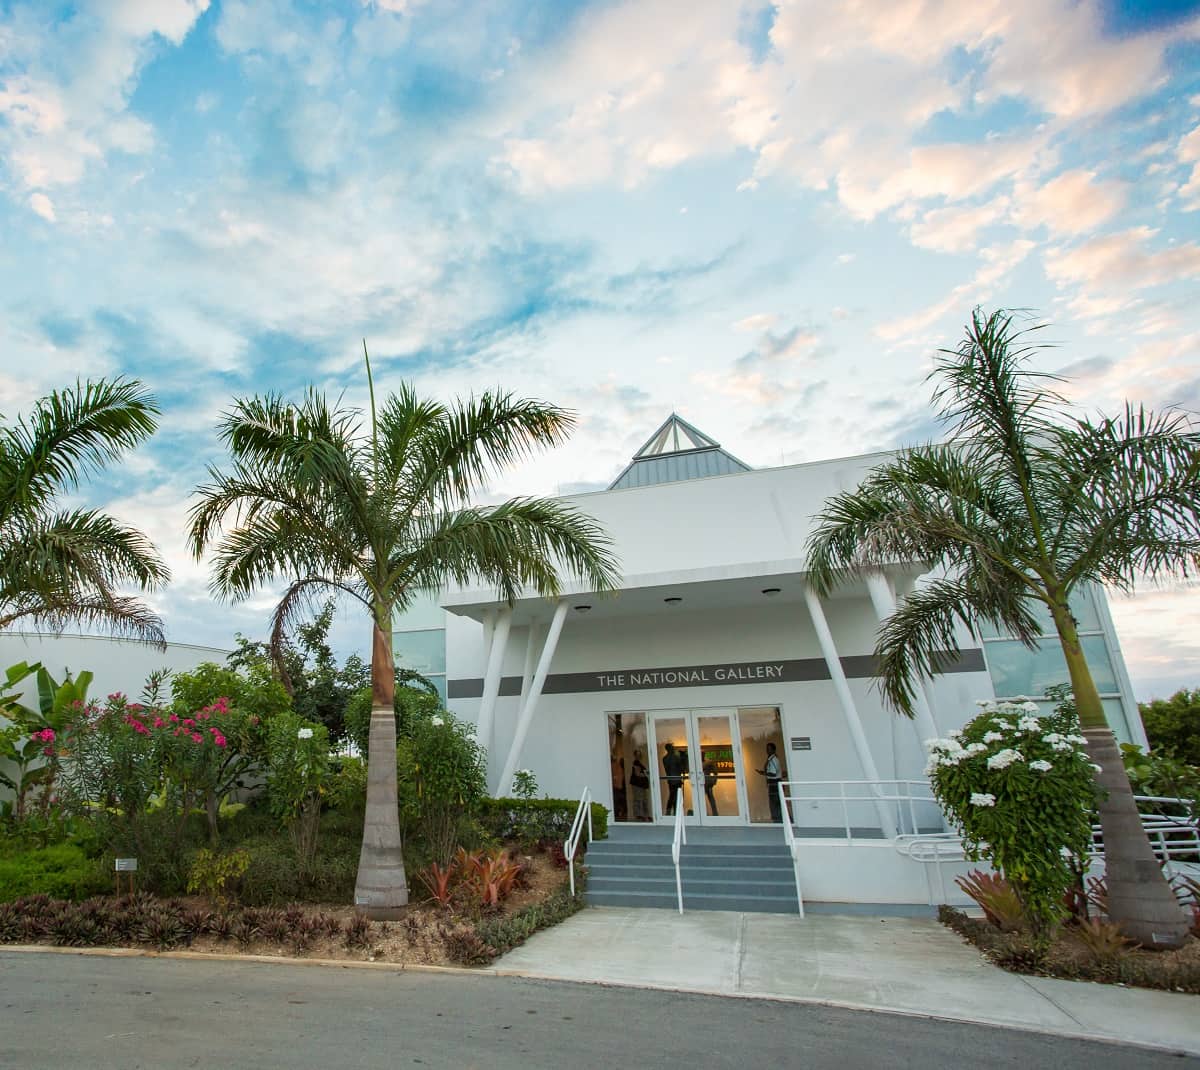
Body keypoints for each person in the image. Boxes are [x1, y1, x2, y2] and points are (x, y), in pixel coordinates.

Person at [756, 742, 785, 823]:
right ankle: (778, 819)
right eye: (767, 749)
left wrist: (763, 773)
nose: (767, 751)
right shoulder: (771, 759)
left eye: (769, 749)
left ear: (773, 750)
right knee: (775, 803)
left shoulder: (773, 760)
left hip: (774, 784)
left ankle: (778, 820)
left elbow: (773, 773)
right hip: (773, 784)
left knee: (775, 803)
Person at [662, 741, 687, 816]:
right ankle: (676, 812)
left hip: (670, 780)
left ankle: (669, 812)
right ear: (670, 749)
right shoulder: (675, 758)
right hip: (676, 779)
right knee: (677, 797)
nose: (673, 749)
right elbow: (681, 768)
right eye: (672, 748)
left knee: (672, 796)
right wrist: (683, 758)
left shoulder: (665, 758)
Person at [629, 750, 651, 821]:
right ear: (635, 755)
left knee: (643, 799)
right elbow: (637, 774)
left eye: (639, 755)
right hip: (637, 784)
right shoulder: (636, 763)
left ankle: (644, 815)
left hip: (641, 784)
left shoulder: (639, 763)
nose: (638, 756)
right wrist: (646, 774)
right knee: (639, 799)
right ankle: (639, 815)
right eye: (637, 755)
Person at [611, 753, 627, 822]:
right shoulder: (617, 766)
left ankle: (617, 813)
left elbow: (617, 776)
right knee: (617, 799)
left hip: (615, 786)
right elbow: (621, 775)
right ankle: (619, 812)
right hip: (618, 786)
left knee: (616, 799)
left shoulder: (615, 766)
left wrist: (616, 782)